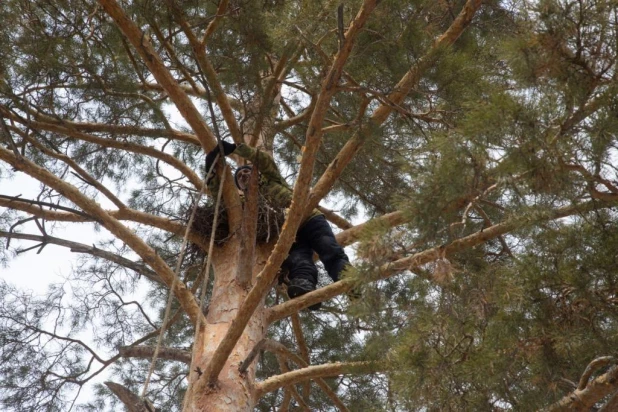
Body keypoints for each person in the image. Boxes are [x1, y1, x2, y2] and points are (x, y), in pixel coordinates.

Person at [206, 141, 351, 309]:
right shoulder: (245, 203)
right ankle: (304, 286)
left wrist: (236, 149)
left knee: (328, 246)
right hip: (283, 232)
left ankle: (347, 277)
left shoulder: (271, 179)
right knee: (298, 259)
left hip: (308, 217)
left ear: (257, 174)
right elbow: (220, 198)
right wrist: (210, 166)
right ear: (239, 187)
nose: (244, 175)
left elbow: (264, 160)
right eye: (239, 177)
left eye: (247, 171)